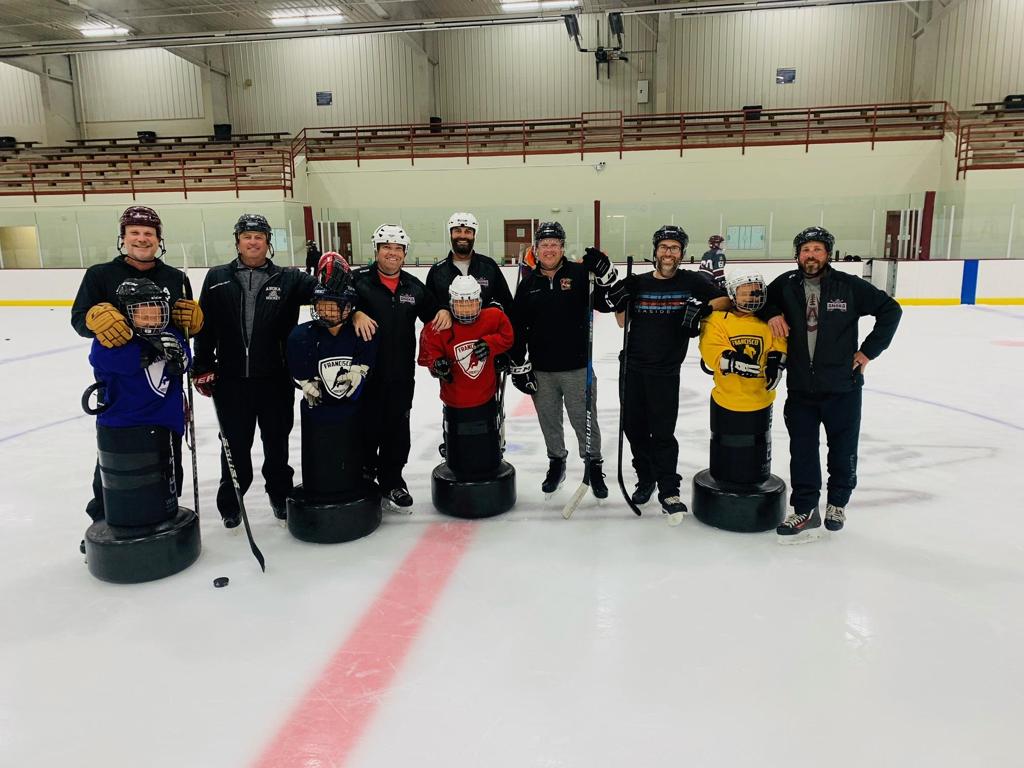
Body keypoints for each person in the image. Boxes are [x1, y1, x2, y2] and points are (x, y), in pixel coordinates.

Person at [763, 226, 902, 542]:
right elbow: (758, 300)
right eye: (805, 250)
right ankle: (806, 509)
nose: (811, 255)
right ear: (797, 255)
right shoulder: (785, 285)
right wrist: (772, 313)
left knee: (842, 448)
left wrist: (868, 351)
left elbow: (890, 310)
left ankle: (837, 503)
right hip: (800, 389)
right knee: (803, 451)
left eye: (817, 249)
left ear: (828, 254)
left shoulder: (848, 286)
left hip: (843, 387)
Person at [71, 205, 203, 522]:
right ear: (123, 238)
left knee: (166, 454)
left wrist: (196, 324)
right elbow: (79, 320)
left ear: (159, 239)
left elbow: (185, 327)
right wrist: (92, 318)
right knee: (119, 454)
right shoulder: (101, 275)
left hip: (163, 386)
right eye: (135, 233)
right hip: (122, 387)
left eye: (148, 233)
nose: (142, 239)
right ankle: (105, 517)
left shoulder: (175, 278)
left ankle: (164, 508)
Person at [192, 213, 318, 528]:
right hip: (231, 379)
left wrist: (333, 270)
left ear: (267, 243)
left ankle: (279, 495)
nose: (253, 242)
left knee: (277, 443)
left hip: (275, 378)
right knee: (234, 445)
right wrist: (203, 365)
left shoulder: (288, 278)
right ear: (238, 241)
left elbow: (328, 293)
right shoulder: (217, 277)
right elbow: (204, 327)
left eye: (259, 237)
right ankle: (231, 503)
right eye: (247, 236)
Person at [608, 225, 730, 521]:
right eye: (664, 247)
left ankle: (668, 489)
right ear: (655, 251)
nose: (668, 253)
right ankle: (646, 477)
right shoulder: (638, 282)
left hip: (665, 370)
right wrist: (620, 299)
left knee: (662, 432)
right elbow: (622, 323)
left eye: (674, 248)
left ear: (682, 254)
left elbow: (724, 300)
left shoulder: (693, 281)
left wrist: (702, 308)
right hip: (633, 368)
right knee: (634, 429)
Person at [509, 221, 617, 498]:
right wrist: (518, 365)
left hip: (577, 367)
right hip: (542, 368)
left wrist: (606, 274)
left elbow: (606, 303)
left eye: (554, 244)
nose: (549, 249)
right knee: (549, 421)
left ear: (562, 247)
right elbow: (518, 326)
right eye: (544, 244)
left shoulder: (581, 275)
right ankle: (557, 462)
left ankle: (593, 465)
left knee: (584, 420)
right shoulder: (528, 283)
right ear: (536, 248)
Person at [350, 224, 452, 511]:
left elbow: (433, 311)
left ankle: (393, 480)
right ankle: (366, 477)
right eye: (387, 248)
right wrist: (355, 313)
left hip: (400, 374)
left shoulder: (413, 287)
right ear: (377, 250)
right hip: (364, 373)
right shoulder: (359, 282)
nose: (392, 254)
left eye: (398, 249)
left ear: (405, 253)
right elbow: (334, 307)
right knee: (367, 426)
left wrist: (442, 309)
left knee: (397, 428)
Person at [87, 278, 190, 529]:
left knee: (167, 474)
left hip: (165, 422)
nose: (152, 319)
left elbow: (187, 358)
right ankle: (107, 520)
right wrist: (147, 352)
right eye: (143, 314)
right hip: (125, 428)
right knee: (122, 481)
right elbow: (102, 360)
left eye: (157, 312)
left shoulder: (171, 333)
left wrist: (180, 359)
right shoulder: (113, 340)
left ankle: (165, 510)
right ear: (126, 314)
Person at [287, 254, 377, 499]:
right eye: (321, 303)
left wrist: (359, 372)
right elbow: (297, 368)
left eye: (333, 304)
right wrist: (306, 382)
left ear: (348, 307)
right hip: (318, 418)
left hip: (351, 414)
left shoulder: (361, 332)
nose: (325, 310)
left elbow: (367, 358)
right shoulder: (301, 335)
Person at [418, 275, 514, 477]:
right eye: (460, 304)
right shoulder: (438, 327)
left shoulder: (493, 318)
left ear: (479, 302)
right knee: (458, 446)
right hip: (455, 402)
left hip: (485, 399)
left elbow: (507, 337)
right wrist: (437, 366)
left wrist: (489, 343)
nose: (466, 309)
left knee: (486, 444)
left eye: (470, 303)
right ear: (451, 304)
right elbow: (428, 354)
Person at [698, 272, 788, 486]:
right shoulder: (717, 319)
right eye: (745, 293)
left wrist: (777, 359)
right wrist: (729, 359)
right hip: (726, 400)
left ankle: (755, 477)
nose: (751, 298)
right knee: (726, 449)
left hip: (761, 400)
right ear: (732, 294)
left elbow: (780, 341)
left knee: (756, 447)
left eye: (756, 292)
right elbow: (710, 348)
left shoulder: (770, 321)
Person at [425, 212, 514, 314]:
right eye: (457, 231)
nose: (462, 236)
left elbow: (507, 304)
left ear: (474, 235)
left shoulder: (489, 266)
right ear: (450, 234)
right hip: (450, 330)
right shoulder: (437, 272)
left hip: (485, 330)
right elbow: (428, 311)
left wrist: (494, 308)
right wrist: (443, 310)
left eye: (468, 231)